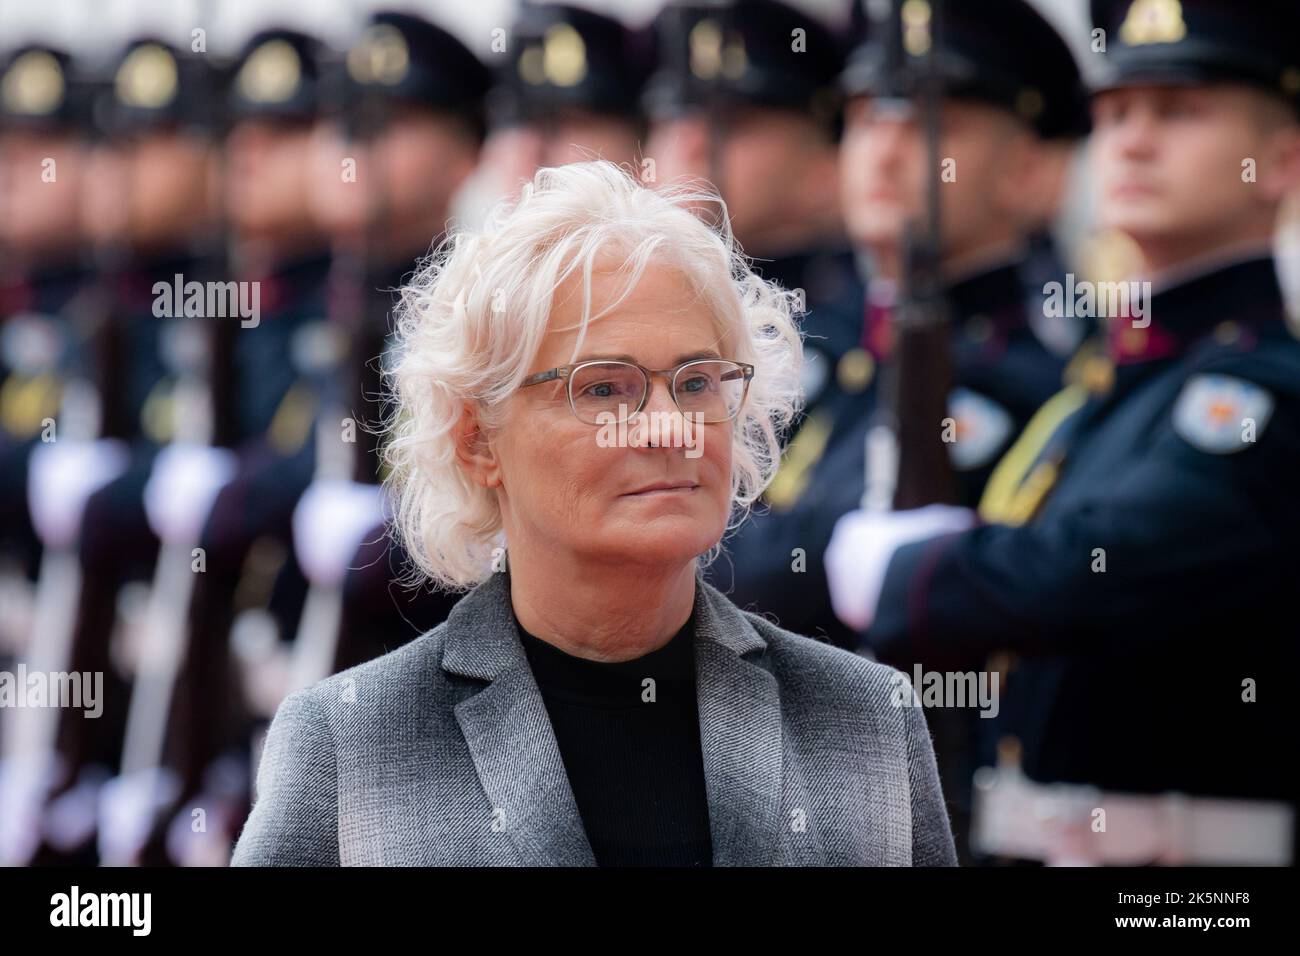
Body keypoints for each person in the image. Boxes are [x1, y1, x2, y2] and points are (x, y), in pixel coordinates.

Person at [230, 160, 956, 867]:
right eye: (605, 389)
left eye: (698, 381)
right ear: (477, 438)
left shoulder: (864, 722)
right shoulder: (351, 743)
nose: (670, 427)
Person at [826, 0, 1300, 865]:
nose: (1133, 141)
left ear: (1280, 160)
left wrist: (920, 573)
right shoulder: (1108, 387)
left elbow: (1114, 560)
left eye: (1179, 112)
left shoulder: (1266, 390)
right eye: (1117, 113)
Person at [709, 0, 1090, 653]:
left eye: (931, 127)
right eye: (864, 120)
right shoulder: (836, 344)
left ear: (1027, 169)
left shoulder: (1018, 371)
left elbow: (791, 570)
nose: (884, 153)